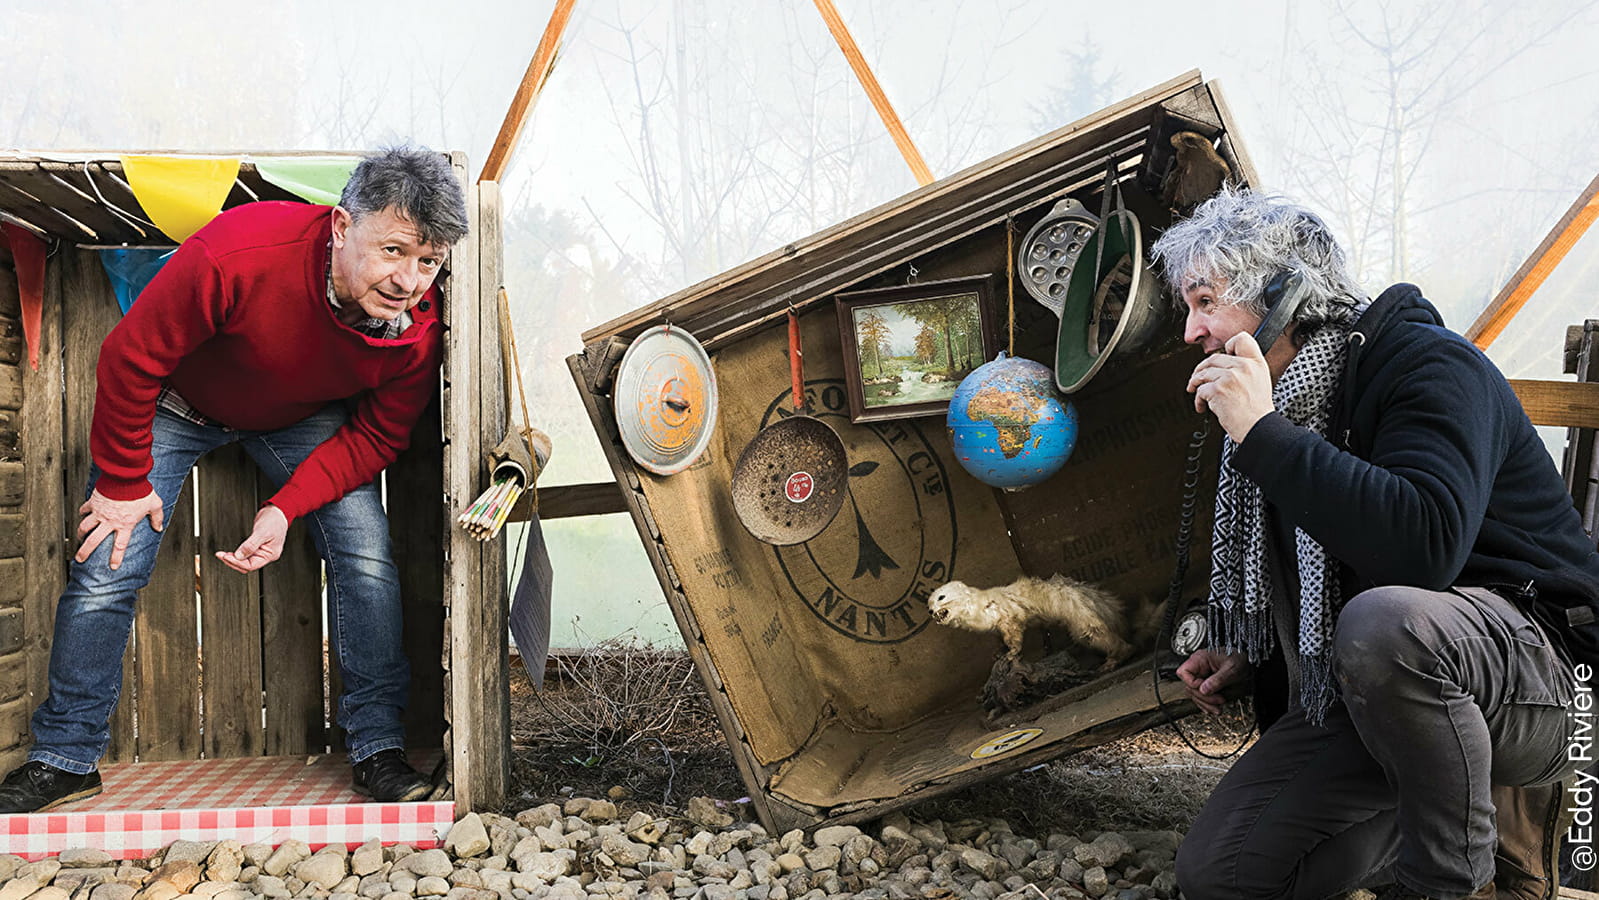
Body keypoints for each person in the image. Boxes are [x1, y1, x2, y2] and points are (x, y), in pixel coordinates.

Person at [1152, 187, 1599, 899]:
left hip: (1553, 685)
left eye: (1204, 302)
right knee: (1223, 875)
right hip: (1400, 692)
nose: (1189, 331)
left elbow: (1419, 551)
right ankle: (1418, 820)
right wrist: (1251, 650)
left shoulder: (1427, 365)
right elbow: (1325, 581)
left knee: (1387, 625)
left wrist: (1266, 438)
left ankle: (1446, 882)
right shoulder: (1292, 404)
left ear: (1283, 292)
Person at [0, 147, 468, 812]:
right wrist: (126, 485)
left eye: (429, 261)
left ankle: (376, 749)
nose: (410, 279)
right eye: (393, 250)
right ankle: (66, 757)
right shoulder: (242, 250)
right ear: (340, 225)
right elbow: (131, 359)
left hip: (298, 419)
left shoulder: (416, 331)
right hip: (178, 404)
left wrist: (285, 507)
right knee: (109, 555)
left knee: (365, 550)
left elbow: (376, 438)